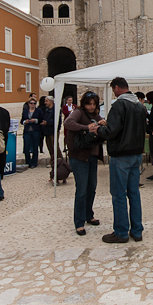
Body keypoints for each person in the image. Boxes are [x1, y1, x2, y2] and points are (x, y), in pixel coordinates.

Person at [90, 77, 146, 243]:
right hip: (136, 154)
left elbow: (112, 132)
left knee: (119, 195)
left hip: (121, 155)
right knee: (134, 193)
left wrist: (99, 129)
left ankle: (121, 232)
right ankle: (137, 230)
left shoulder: (119, 105)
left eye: (113, 90)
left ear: (116, 88)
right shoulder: (140, 106)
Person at [64, 91, 106, 236]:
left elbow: (101, 123)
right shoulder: (78, 113)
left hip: (92, 155)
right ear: (84, 103)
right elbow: (68, 123)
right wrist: (86, 127)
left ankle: (89, 214)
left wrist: (102, 123)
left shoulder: (95, 114)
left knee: (92, 187)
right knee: (81, 189)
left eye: (94, 104)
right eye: (89, 104)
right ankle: (79, 222)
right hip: (79, 156)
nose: (91, 106)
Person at [21, 98, 43, 169]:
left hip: (36, 130)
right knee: (26, 147)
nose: (33, 105)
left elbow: (41, 119)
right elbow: (21, 121)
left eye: (34, 103)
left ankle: (34, 162)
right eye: (31, 103)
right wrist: (25, 122)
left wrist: (35, 120)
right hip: (27, 130)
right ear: (28, 104)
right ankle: (27, 161)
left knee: (35, 146)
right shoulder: (25, 111)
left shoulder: (39, 111)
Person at [40, 96, 62, 163]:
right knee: (49, 146)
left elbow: (57, 121)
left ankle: (61, 161)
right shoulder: (46, 109)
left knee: (55, 146)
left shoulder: (56, 109)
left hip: (53, 131)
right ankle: (53, 160)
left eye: (46, 101)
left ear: (51, 101)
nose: (45, 102)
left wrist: (48, 122)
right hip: (47, 131)